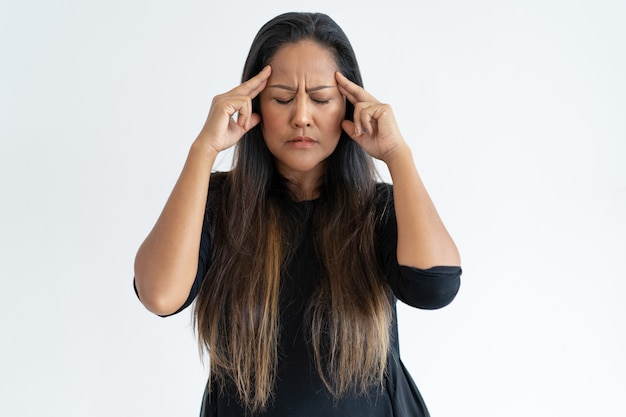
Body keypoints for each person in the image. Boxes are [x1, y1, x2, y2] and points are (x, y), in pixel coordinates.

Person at [134, 11, 461, 417]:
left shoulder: (376, 210)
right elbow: (160, 296)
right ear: (255, 105)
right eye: (283, 98)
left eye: (321, 99)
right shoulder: (221, 206)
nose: (302, 116)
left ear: (349, 104)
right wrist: (203, 150)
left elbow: (436, 289)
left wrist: (397, 154)